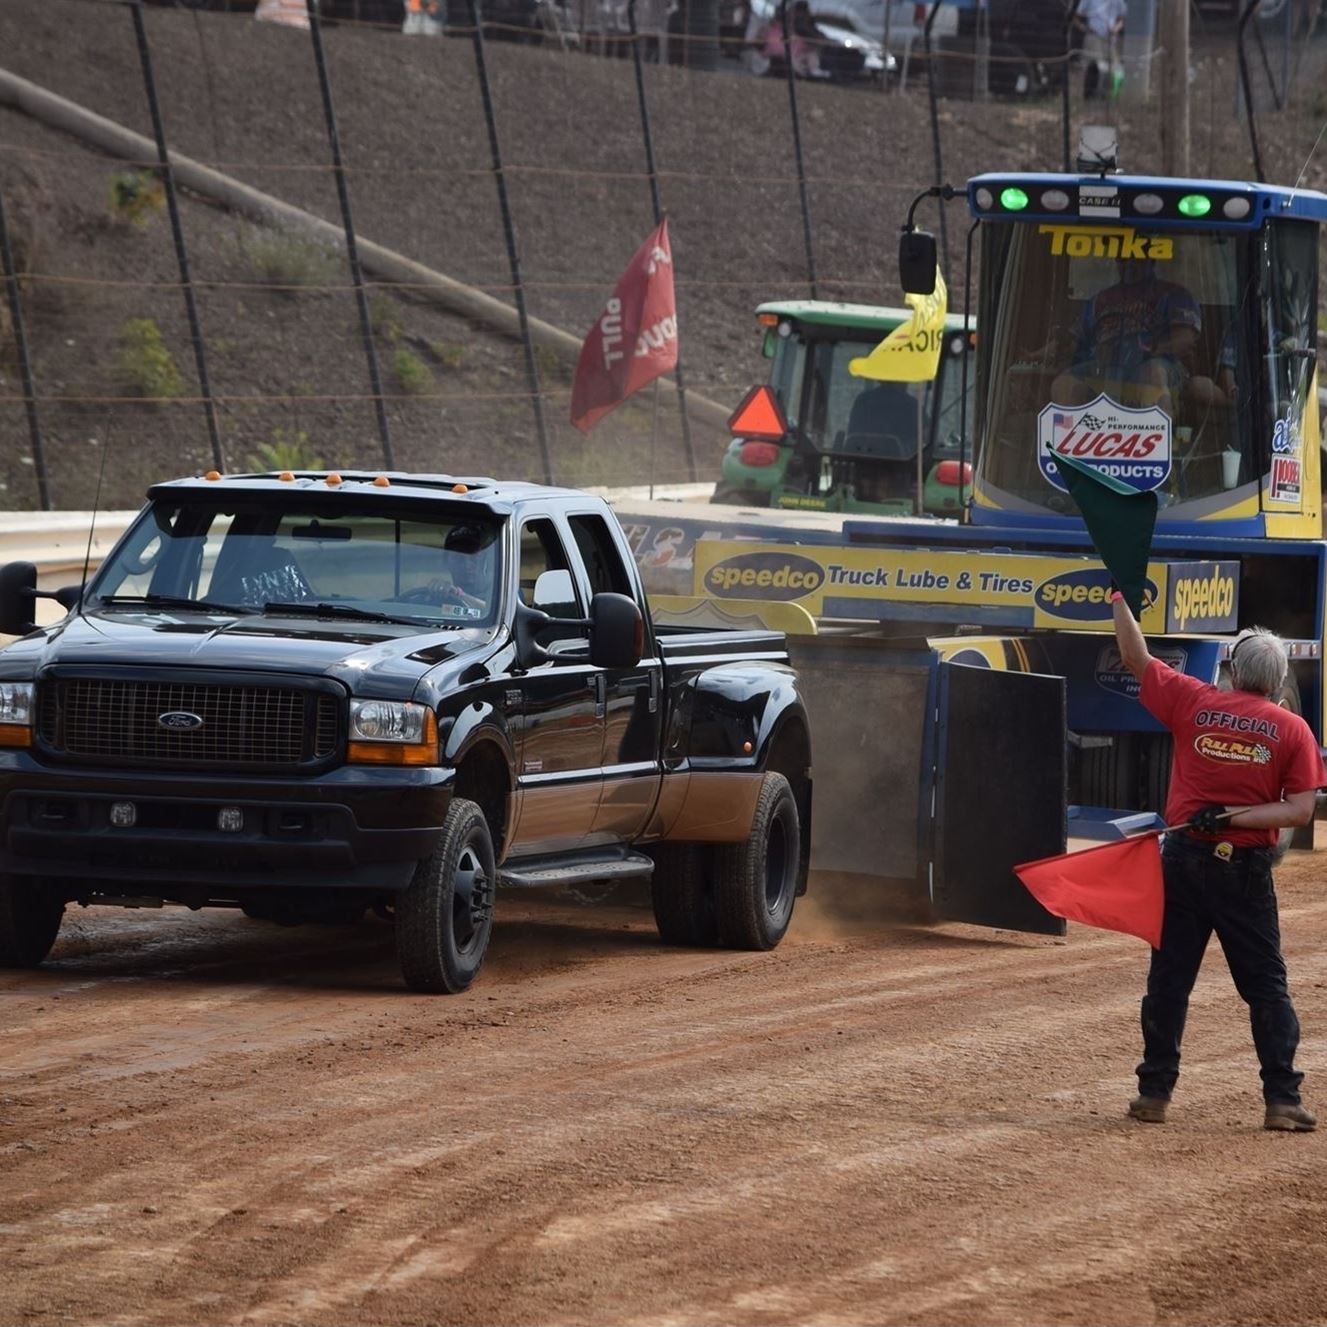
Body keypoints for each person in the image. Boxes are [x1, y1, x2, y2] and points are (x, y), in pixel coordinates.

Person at [1111, 594, 1326, 1132]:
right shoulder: (1293, 730)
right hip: (1245, 872)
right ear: (1278, 680)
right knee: (1265, 986)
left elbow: (1136, 658)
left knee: (1169, 981)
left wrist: (1119, 599)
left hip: (1182, 861)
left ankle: (1153, 1095)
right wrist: (1234, 817)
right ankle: (1281, 1099)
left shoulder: (1192, 701)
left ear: (1231, 670)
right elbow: (1300, 810)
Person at [1051, 258, 1207, 416]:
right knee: (1064, 383)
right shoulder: (1100, 300)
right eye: (1123, 260)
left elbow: (1185, 341)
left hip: (1160, 364)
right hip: (1105, 366)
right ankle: (1073, 437)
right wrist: (1035, 355)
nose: (1129, 265)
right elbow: (1072, 341)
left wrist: (1152, 350)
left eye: (1136, 260)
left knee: (1153, 372)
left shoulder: (1174, 294)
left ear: (1151, 261)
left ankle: (1158, 435)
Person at [1076, 0, 1125, 100]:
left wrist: (1116, 28)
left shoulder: (1117, 2)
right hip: (1093, 35)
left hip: (1110, 38)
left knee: (1114, 68)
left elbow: (1121, 19)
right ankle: (1089, 96)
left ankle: (1106, 96)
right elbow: (1076, 15)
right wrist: (1083, 28)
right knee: (1095, 65)